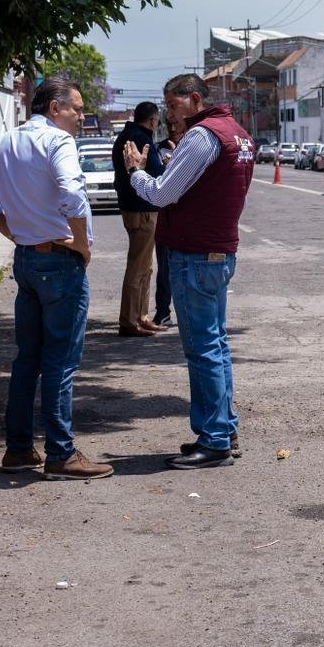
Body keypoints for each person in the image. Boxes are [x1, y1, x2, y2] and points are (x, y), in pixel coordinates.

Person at [0, 78, 113, 480]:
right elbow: (73, 193)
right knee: (60, 360)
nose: (82, 116)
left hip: (28, 258)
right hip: (60, 260)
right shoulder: (58, 140)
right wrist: (81, 245)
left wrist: (17, 235)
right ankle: (61, 454)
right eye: (77, 108)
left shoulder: (8, 141)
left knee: (27, 358)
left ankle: (18, 449)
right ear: (54, 108)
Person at [123, 73, 254, 469]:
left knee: (202, 349)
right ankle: (223, 429)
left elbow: (162, 193)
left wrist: (136, 171)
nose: (169, 114)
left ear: (195, 98)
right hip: (219, 250)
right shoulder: (238, 134)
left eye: (173, 105)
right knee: (216, 344)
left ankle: (214, 439)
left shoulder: (202, 136)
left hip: (195, 253)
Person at [112, 102, 168, 337]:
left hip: (136, 207)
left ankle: (141, 316)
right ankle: (129, 320)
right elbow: (157, 173)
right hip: (141, 209)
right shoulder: (140, 138)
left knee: (146, 266)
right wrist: (167, 164)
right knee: (138, 266)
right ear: (153, 121)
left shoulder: (128, 135)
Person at [151, 113, 184, 328]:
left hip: (188, 216)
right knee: (164, 266)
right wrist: (166, 167)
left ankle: (189, 313)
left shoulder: (193, 146)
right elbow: (155, 180)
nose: (172, 128)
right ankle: (163, 311)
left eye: (176, 123)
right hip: (165, 215)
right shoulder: (158, 148)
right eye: (169, 124)